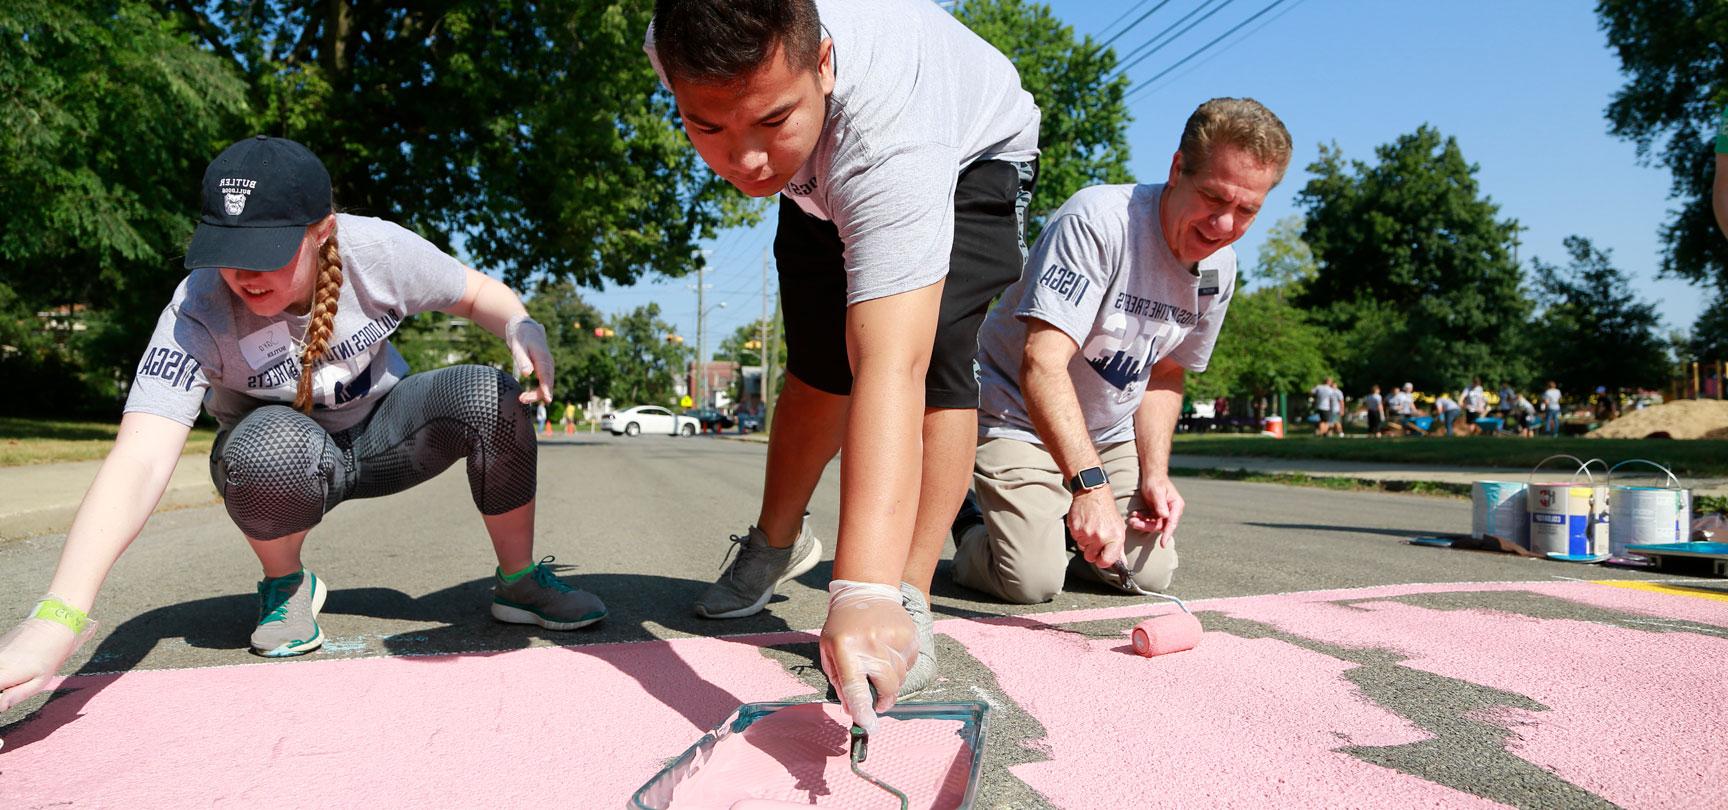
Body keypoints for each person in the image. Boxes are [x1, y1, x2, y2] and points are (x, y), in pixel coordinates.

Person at [0, 137, 606, 712]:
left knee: (491, 395)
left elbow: (475, 292)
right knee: (270, 447)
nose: (244, 274)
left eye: (266, 253)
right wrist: (57, 617)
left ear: (323, 233)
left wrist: (521, 325)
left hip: (387, 434)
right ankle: (285, 586)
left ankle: (519, 582)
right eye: (226, 252)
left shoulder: (378, 250)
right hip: (281, 454)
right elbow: (139, 459)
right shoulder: (196, 308)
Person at [645, 0, 1040, 731]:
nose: (747, 162)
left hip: (971, 158)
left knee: (934, 361)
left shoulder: (896, 136)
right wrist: (776, 132)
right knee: (819, 365)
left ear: (823, 63)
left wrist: (861, 590)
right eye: (707, 127)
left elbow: (892, 362)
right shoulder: (675, 38)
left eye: (772, 120)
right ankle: (775, 543)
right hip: (828, 163)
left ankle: (907, 598)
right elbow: (843, 365)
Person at [951, 98, 1289, 605]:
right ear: (1178, 169)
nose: (1223, 226)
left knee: (1149, 573)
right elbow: (1041, 363)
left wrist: (1154, 474)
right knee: (1031, 580)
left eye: (1247, 211)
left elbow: (1166, 371)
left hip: (1106, 432)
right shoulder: (1099, 222)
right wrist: (1090, 488)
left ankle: (1062, 522)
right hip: (1017, 415)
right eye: (1214, 199)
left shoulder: (1221, 268)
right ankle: (973, 518)